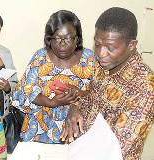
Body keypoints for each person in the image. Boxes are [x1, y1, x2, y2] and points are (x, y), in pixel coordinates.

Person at [61, 7, 154, 159]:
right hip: (80, 149)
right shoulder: (106, 64)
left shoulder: (144, 88)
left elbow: (115, 150)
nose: (101, 54)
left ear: (131, 45)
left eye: (111, 48)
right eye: (97, 45)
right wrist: (75, 107)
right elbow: (91, 97)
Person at [12, 10, 98, 144]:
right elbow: (22, 93)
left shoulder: (90, 59)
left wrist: (81, 94)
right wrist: (51, 102)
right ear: (49, 39)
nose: (62, 44)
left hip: (78, 134)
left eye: (68, 38)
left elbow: (102, 94)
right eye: (56, 38)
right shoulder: (40, 57)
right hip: (40, 133)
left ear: (78, 38)